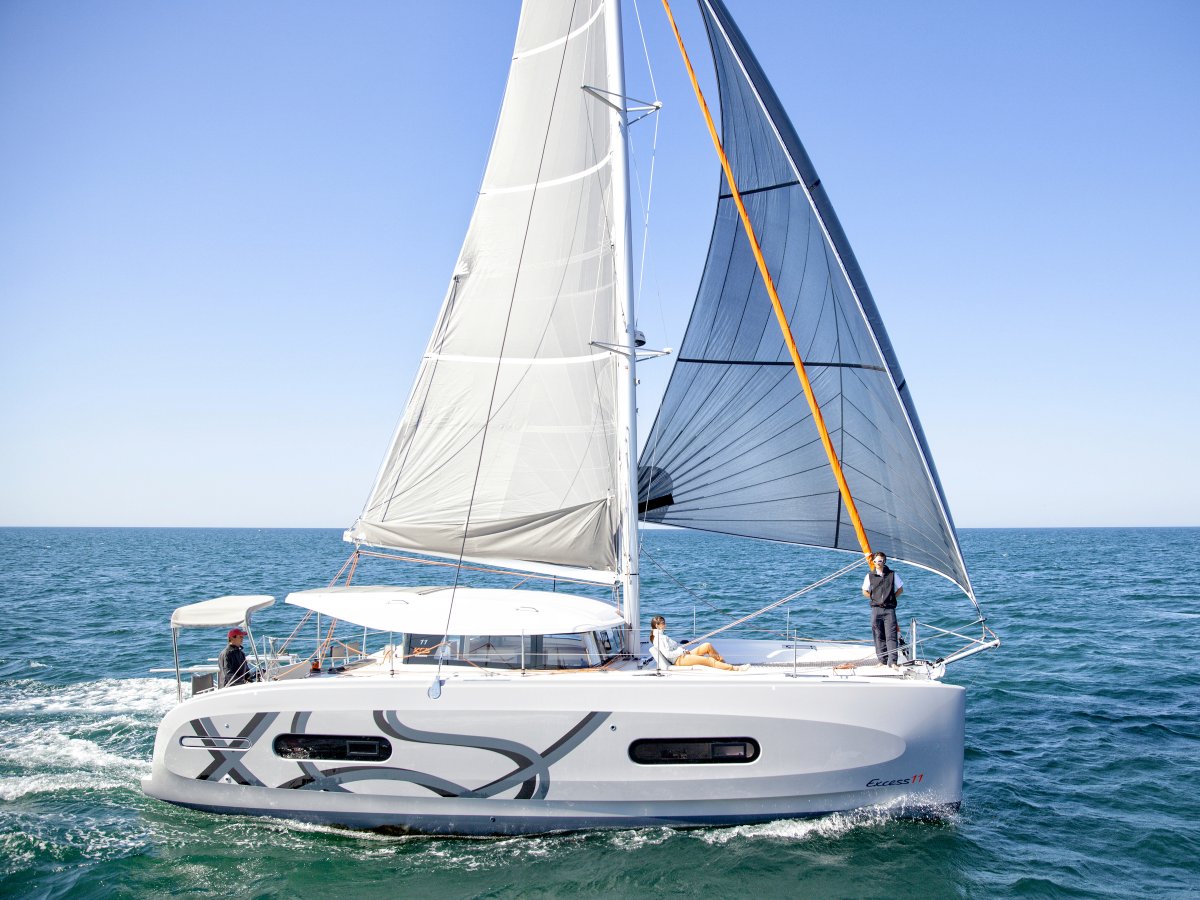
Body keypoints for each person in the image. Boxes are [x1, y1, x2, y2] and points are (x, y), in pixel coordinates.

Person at [649, 615, 749, 671]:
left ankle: (722, 665)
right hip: (679, 660)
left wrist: (682, 649)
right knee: (708, 660)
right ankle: (735, 669)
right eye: (663, 623)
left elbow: (672, 648)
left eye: (664, 622)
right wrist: (681, 651)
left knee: (707, 646)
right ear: (657, 626)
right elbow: (668, 654)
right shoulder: (659, 638)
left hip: (682, 655)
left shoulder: (661, 636)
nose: (665, 624)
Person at [862, 552, 903, 667]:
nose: (878, 563)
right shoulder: (870, 576)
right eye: (875, 561)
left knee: (891, 635)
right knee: (878, 635)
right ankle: (882, 660)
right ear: (873, 562)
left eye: (880, 561)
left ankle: (893, 661)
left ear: (884, 561)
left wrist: (891, 597)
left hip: (889, 610)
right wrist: (874, 598)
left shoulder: (892, 575)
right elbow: (864, 591)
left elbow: (900, 589)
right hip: (876, 610)